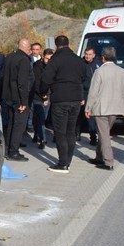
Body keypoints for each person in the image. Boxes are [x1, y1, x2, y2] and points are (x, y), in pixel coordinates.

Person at [38, 35, 87, 173]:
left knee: (60, 132)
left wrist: (43, 93)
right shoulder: (78, 60)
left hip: (61, 99)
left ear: (56, 45)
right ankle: (68, 161)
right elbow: (84, 77)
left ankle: (63, 163)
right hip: (76, 99)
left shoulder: (55, 60)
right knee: (71, 131)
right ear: (68, 44)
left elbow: (45, 78)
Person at [84, 47, 124, 170]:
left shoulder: (99, 71)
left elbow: (93, 92)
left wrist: (88, 108)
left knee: (104, 135)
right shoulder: (122, 71)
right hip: (115, 109)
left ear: (102, 57)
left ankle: (108, 162)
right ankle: (99, 157)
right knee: (103, 133)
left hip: (101, 109)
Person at [2, 38, 34, 161]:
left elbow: (3, 76)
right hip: (19, 99)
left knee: (11, 123)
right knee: (19, 125)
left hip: (8, 96)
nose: (30, 50)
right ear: (26, 47)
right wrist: (23, 102)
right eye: (29, 47)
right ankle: (13, 151)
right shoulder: (24, 60)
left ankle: (8, 149)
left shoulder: (9, 57)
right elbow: (22, 83)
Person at [78, 47, 102, 145]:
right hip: (85, 92)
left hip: (97, 93)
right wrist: (81, 96)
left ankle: (94, 135)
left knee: (94, 116)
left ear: (94, 55)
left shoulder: (99, 64)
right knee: (85, 115)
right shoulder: (80, 64)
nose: (87, 56)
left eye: (90, 54)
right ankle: (82, 134)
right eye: (86, 54)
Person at [31, 48, 54, 149]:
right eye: (47, 59)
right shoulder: (37, 67)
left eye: (51, 59)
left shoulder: (52, 66)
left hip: (48, 95)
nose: (49, 61)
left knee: (42, 119)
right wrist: (44, 97)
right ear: (43, 57)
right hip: (38, 96)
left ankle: (37, 134)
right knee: (40, 119)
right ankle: (43, 139)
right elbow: (36, 84)